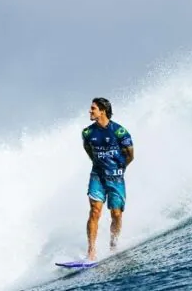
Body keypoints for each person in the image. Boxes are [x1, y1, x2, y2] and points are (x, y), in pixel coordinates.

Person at [82, 97, 134, 261]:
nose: (90, 111)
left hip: (116, 177)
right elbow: (89, 151)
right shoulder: (87, 132)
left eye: (93, 108)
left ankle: (113, 245)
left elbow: (130, 155)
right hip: (97, 176)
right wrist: (98, 164)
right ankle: (91, 251)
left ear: (102, 110)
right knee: (95, 211)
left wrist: (119, 168)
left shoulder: (119, 131)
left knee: (116, 214)